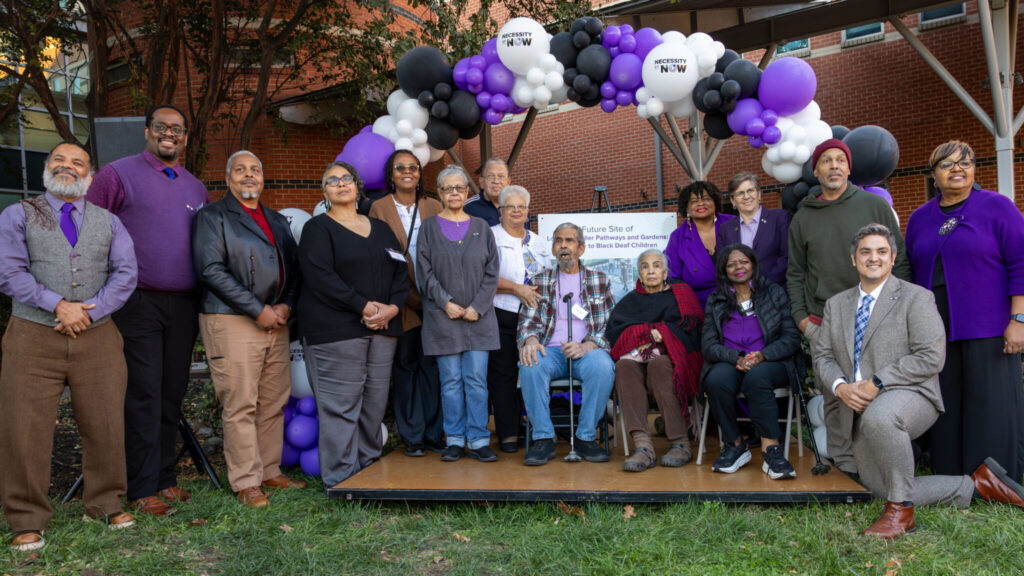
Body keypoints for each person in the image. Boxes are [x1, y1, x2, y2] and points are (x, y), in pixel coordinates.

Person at [815, 224, 1024, 538]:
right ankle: (976, 484)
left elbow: (930, 356)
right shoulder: (836, 304)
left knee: (882, 416)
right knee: (877, 486)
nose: (874, 258)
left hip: (910, 395)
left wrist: (877, 383)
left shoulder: (917, 298)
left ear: (893, 257)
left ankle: (901, 513)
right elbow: (822, 357)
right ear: (853, 259)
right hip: (853, 404)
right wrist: (841, 388)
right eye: (866, 252)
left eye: (881, 251)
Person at [0, 142, 139, 551]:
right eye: (59, 160)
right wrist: (57, 305)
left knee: (106, 422)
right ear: (46, 169)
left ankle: (105, 503)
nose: (67, 166)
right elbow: (8, 271)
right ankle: (26, 517)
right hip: (31, 335)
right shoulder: (18, 215)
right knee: (24, 427)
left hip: (98, 337)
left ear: (90, 176)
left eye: (77, 162)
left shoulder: (110, 222)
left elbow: (126, 274)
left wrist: (89, 313)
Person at [86, 104, 209, 516]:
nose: (169, 134)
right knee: (143, 392)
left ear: (186, 138)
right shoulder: (116, 175)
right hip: (136, 301)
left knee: (172, 391)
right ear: (146, 132)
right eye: (161, 127)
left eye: (177, 129)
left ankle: (165, 479)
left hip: (184, 303)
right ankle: (141, 488)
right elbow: (90, 232)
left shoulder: (195, 187)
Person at [787, 138, 910, 475]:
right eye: (826, 160)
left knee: (879, 386)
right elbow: (795, 272)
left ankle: (883, 455)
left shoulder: (873, 206)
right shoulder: (803, 218)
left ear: (849, 167)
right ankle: (844, 462)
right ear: (816, 170)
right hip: (823, 319)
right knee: (835, 392)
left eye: (840, 159)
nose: (834, 166)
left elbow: (898, 262)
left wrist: (899, 312)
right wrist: (801, 319)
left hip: (877, 316)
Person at [906, 141, 1024, 482]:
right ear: (933, 174)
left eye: (965, 163)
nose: (957, 169)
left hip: (989, 325)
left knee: (990, 404)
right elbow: (913, 274)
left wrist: (1018, 319)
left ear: (974, 170)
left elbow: (1020, 264)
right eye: (947, 164)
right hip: (937, 328)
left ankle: (996, 477)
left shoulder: (998, 208)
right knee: (947, 401)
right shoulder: (919, 218)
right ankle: (950, 470)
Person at [192, 151, 304, 508]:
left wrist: (285, 306)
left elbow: (294, 271)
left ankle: (269, 470)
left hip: (276, 321)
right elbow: (211, 270)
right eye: (240, 170)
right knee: (240, 402)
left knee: (273, 400)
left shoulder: (277, 220)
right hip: (232, 319)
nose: (248, 175)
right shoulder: (213, 216)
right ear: (228, 180)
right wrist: (258, 311)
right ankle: (245, 481)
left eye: (255, 169)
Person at [297, 162, 408, 486]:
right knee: (341, 408)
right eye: (332, 180)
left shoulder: (382, 229)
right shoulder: (318, 229)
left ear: (357, 187)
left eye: (347, 179)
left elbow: (401, 272)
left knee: (373, 406)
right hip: (335, 332)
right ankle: (342, 479)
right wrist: (362, 306)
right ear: (325, 192)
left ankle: (368, 471)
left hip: (383, 329)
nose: (341, 184)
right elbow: (320, 276)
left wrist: (391, 308)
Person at [417, 165, 501, 462]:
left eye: (460, 188)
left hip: (479, 320)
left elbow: (492, 272)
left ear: (468, 192)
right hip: (443, 319)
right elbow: (423, 273)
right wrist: (446, 302)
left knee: (476, 381)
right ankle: (454, 439)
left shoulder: (482, 228)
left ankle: (478, 440)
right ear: (439, 193)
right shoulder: (428, 228)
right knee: (450, 381)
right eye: (448, 188)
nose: (454, 193)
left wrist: (477, 307)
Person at [518, 223, 616, 466]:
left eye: (570, 241)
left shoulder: (599, 279)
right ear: (552, 248)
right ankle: (543, 438)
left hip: (586, 350)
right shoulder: (538, 281)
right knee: (530, 363)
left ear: (580, 248)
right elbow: (527, 321)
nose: (564, 245)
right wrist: (530, 340)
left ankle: (585, 437)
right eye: (559, 241)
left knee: (603, 367)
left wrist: (588, 346)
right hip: (549, 350)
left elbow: (609, 326)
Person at [368, 150, 445, 457]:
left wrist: (436, 296)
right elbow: (377, 258)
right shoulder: (379, 207)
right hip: (400, 302)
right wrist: (408, 298)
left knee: (433, 368)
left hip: (436, 301)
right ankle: (412, 436)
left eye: (413, 167)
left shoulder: (433, 205)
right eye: (400, 168)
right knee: (406, 367)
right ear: (391, 174)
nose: (407, 172)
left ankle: (433, 433)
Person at [701, 244, 800, 479]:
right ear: (724, 271)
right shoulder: (716, 300)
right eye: (731, 264)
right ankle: (735, 445)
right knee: (715, 379)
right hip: (732, 361)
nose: (738, 267)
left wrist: (762, 355)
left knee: (757, 377)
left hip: (772, 361)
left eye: (743, 262)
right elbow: (709, 344)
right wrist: (736, 357)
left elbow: (791, 337)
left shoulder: (773, 293)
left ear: (753, 264)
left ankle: (771, 450)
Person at [607, 250, 704, 472]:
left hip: (670, 362)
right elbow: (616, 332)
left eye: (656, 265)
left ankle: (680, 442)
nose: (651, 270)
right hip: (635, 362)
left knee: (660, 365)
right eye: (645, 266)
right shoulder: (630, 301)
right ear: (639, 274)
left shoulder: (681, 295)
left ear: (665, 272)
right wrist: (646, 335)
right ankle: (643, 447)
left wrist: (662, 336)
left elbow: (692, 330)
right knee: (623, 367)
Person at [489, 185, 550, 453]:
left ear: (527, 210)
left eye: (521, 206)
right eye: (510, 206)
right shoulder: (490, 237)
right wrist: (517, 288)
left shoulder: (538, 241)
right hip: (501, 312)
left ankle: (532, 426)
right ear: (500, 210)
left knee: (530, 371)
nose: (516, 211)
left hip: (534, 319)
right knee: (504, 374)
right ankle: (508, 432)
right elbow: (483, 278)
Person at [664, 181, 735, 308]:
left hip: (737, 303)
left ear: (715, 202)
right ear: (686, 208)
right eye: (694, 201)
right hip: (699, 308)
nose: (701, 203)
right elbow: (673, 279)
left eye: (706, 198)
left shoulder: (732, 224)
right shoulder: (677, 237)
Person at [721, 172, 790, 287]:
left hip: (775, 292)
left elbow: (787, 258)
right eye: (740, 193)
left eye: (750, 191)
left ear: (759, 194)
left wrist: (761, 285)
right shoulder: (725, 229)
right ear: (733, 200)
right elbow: (723, 264)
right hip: (740, 295)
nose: (746, 196)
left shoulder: (780, 218)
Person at [464, 157, 509, 226]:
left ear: (508, 182)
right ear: (481, 182)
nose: (496, 181)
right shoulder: (466, 209)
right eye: (490, 176)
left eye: (501, 176)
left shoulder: (518, 207)